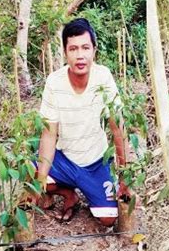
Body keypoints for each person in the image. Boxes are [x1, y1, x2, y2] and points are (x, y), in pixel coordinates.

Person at [36, 18, 129, 227]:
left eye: (85, 47)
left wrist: (125, 178)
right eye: (73, 48)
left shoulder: (103, 78)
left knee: (108, 218)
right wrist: (39, 181)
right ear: (65, 52)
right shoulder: (54, 82)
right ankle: (69, 194)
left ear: (94, 50)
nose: (80, 55)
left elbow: (118, 130)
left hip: (96, 162)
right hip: (64, 160)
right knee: (32, 177)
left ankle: (90, 187)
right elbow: (49, 134)